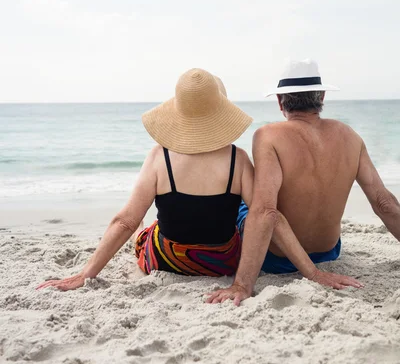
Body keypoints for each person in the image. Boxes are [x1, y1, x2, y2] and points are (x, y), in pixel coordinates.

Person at [38, 68, 359, 291]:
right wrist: (312, 272)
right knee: (240, 216)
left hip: (165, 259)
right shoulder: (237, 160)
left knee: (141, 227)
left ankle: (147, 238)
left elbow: (123, 220)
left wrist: (84, 274)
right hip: (222, 261)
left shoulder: (159, 157)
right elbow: (268, 215)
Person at [208, 59, 400, 306]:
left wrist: (242, 285)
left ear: (280, 101)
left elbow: (266, 211)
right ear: (321, 96)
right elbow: (383, 202)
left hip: (276, 260)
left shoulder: (268, 135)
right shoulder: (350, 136)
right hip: (329, 252)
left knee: (244, 202)